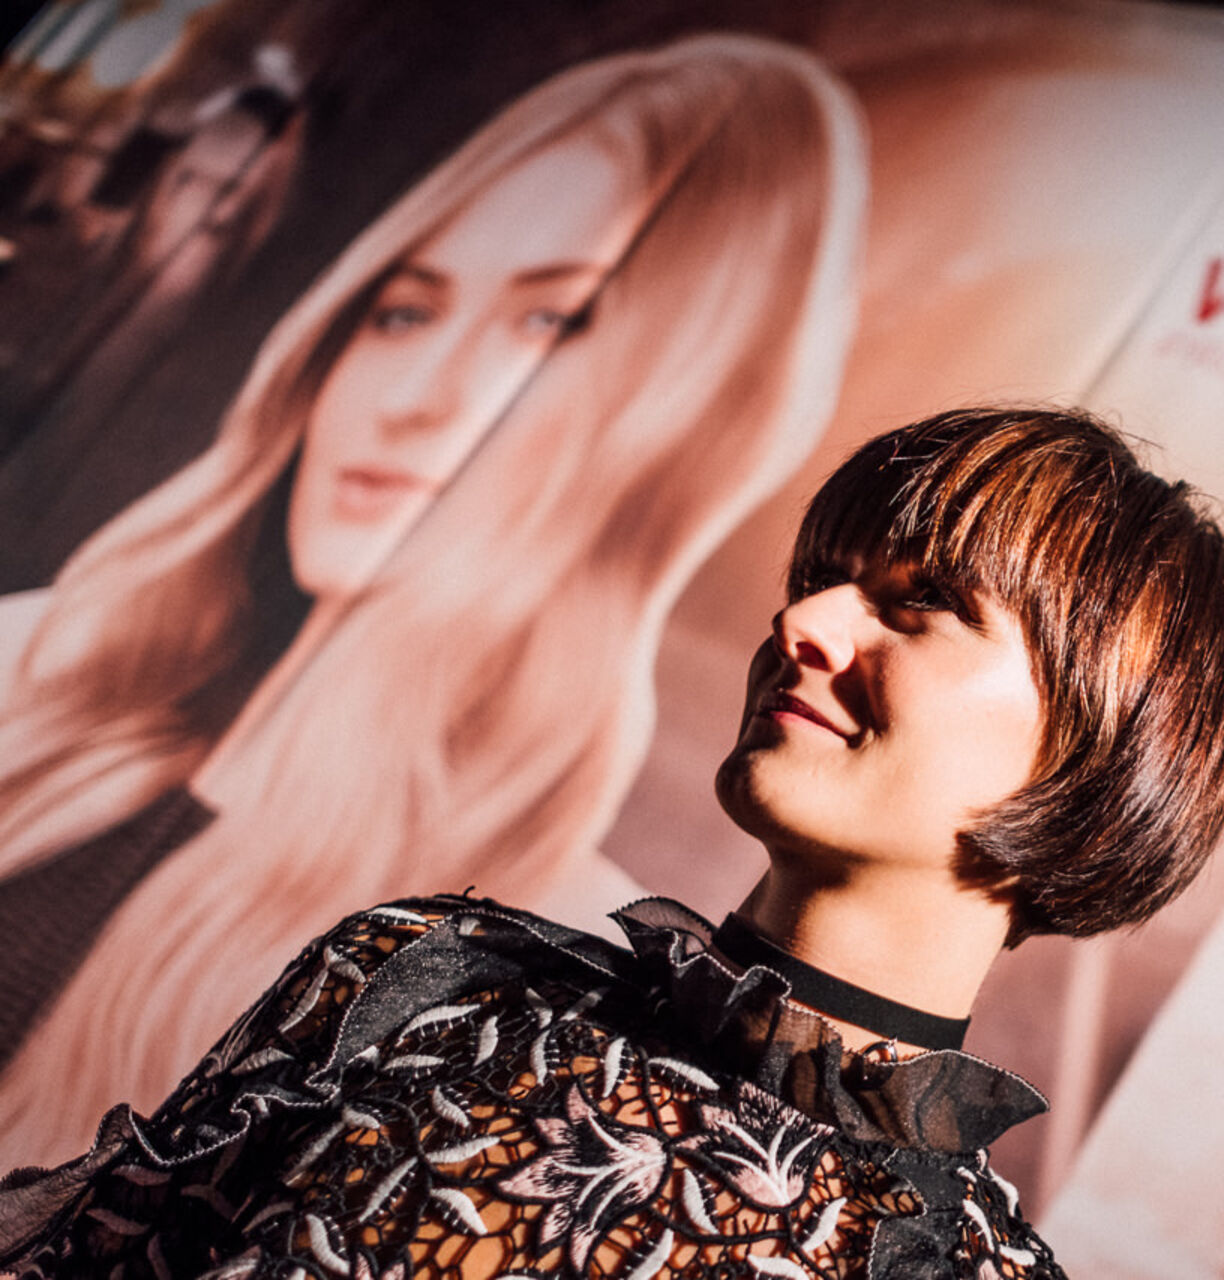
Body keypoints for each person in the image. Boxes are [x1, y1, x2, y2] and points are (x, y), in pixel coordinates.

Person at [0, 406, 1224, 1278]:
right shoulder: (429, 979)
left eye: (921, 604)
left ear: (1102, 740)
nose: (805, 622)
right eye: (820, 577)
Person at [0, 35, 866, 1170]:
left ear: (687, 421)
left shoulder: (549, 974)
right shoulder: (40, 662)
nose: (415, 397)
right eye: (406, 311)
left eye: (550, 322)